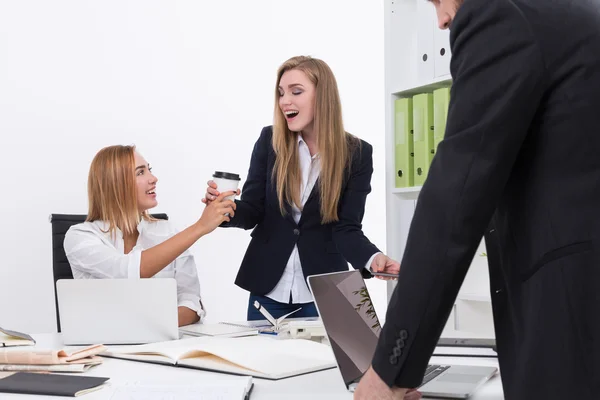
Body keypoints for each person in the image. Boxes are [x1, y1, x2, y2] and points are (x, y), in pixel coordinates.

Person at [355, 0, 600, 399]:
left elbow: (455, 199)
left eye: (438, 1)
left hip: (571, 313)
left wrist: (388, 372)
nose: (441, 20)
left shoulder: (500, 11)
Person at [203, 56, 400, 321]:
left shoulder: (358, 153)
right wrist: (224, 209)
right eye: (281, 93)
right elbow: (252, 210)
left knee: (340, 362)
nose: (285, 101)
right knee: (263, 362)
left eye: (296, 91)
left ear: (323, 96)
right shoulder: (269, 141)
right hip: (268, 293)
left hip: (327, 291)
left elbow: (347, 228)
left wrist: (372, 258)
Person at [64, 145, 236, 327]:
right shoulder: (80, 237)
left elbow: (191, 301)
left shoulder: (167, 231)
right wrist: (200, 226)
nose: (153, 179)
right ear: (115, 183)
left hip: (165, 346)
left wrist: (151, 327)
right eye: (140, 173)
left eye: (149, 170)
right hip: (103, 349)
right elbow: (129, 272)